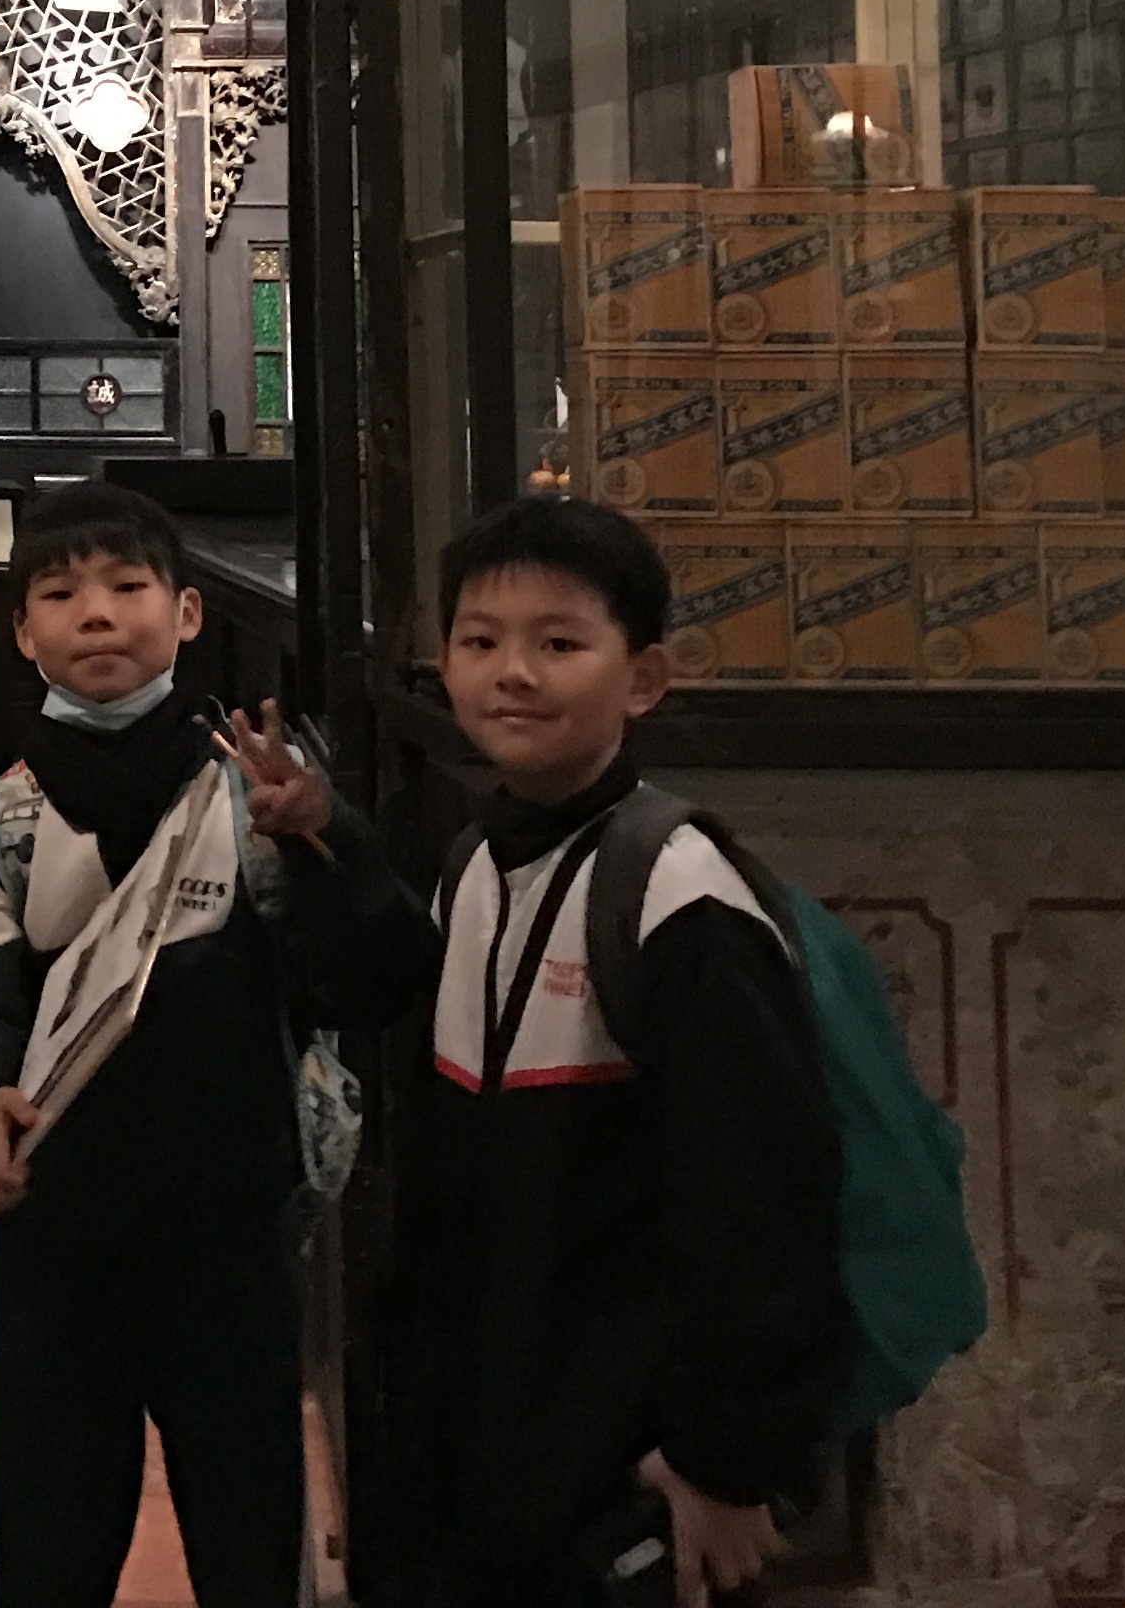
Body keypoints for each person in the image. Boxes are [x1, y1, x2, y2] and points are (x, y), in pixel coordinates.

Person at [0, 481, 427, 1608]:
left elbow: (375, 978)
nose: (96, 613)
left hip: (232, 1231)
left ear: (187, 613)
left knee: (248, 1536)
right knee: (49, 1540)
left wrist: (327, 841)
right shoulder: (9, 813)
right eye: (59, 594)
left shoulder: (256, 794)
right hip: (59, 1236)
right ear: (22, 631)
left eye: (127, 585)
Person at [355, 494, 854, 1608]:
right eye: (480, 641)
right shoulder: (472, 866)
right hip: (482, 1462)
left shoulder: (682, 900)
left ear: (644, 679)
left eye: (559, 644)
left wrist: (725, 1462)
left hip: (624, 1480)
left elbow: (761, 1205)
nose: (512, 674)